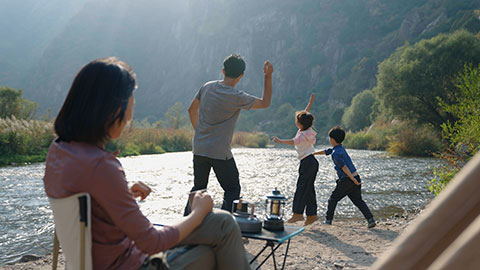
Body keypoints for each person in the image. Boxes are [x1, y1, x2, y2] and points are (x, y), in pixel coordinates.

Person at [43, 57, 250, 270]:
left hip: (97, 260)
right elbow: (152, 242)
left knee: (207, 252)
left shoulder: (58, 150)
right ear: (112, 109)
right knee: (224, 224)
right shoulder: (103, 167)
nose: (130, 116)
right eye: (130, 104)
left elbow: (85, 202)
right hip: (133, 263)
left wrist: (119, 194)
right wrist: (198, 211)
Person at [185, 54, 273, 214]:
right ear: (241, 75)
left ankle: (187, 225)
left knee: (198, 188)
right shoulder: (238, 97)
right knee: (232, 189)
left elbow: (191, 110)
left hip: (199, 148)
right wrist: (268, 77)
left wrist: (199, 132)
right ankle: (223, 226)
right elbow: (265, 102)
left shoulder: (207, 87)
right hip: (220, 152)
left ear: (223, 70)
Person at [313, 126, 376, 228]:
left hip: (348, 179)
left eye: (329, 138)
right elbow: (326, 151)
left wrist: (353, 180)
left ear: (332, 139)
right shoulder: (340, 148)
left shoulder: (335, 154)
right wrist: (313, 153)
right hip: (356, 176)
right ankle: (370, 219)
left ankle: (328, 220)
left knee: (332, 199)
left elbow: (344, 167)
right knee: (358, 201)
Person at [272, 94, 319, 226]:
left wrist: (279, 140)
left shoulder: (302, 135)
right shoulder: (307, 130)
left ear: (300, 123)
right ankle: (312, 215)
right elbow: (306, 113)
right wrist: (310, 103)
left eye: (297, 120)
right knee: (309, 188)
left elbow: (292, 142)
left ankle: (297, 214)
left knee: (301, 188)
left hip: (307, 162)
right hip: (312, 162)